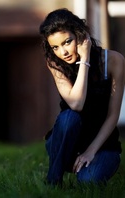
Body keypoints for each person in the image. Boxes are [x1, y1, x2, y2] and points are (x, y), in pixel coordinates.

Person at [39, 8, 125, 185]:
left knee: (88, 182)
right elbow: (76, 104)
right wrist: (84, 60)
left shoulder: (114, 61)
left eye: (67, 42)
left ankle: (86, 169)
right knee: (69, 117)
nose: (63, 52)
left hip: (102, 146)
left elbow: (113, 116)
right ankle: (53, 181)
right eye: (55, 47)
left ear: (80, 35)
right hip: (66, 144)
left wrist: (91, 151)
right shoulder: (55, 63)